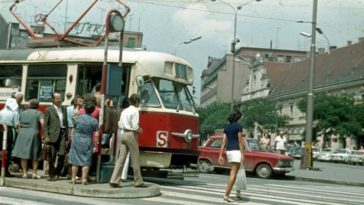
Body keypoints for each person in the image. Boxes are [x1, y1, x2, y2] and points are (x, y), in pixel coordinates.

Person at [109, 94, 147, 188]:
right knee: (135, 158)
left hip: (123, 134)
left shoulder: (124, 110)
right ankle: (138, 181)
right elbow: (134, 126)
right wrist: (139, 130)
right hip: (131, 135)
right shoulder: (135, 111)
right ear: (137, 101)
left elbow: (120, 123)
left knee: (121, 158)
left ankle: (114, 180)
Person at [68, 101, 99, 185]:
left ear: (84, 109)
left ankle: (73, 178)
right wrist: (95, 145)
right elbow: (96, 135)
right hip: (87, 140)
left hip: (77, 139)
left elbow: (73, 130)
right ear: (92, 110)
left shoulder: (78, 118)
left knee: (75, 160)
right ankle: (84, 179)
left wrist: (71, 138)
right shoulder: (94, 121)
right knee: (86, 160)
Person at [218, 109, 246, 202]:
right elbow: (240, 141)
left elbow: (223, 142)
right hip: (236, 150)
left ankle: (237, 192)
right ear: (238, 117)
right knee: (233, 173)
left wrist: (220, 155)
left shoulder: (227, 127)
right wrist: (242, 154)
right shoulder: (239, 127)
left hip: (229, 150)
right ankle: (226, 195)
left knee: (236, 172)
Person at [12, 99, 44, 179]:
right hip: (34, 134)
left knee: (24, 155)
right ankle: (34, 173)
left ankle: (25, 173)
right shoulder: (39, 113)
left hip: (22, 134)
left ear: (29, 105)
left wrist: (19, 131)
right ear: (37, 105)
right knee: (35, 155)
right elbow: (42, 123)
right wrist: (44, 133)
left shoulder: (23, 113)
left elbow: (17, 124)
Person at [43, 92, 68, 181]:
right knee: (52, 156)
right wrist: (46, 136)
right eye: (57, 98)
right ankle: (52, 174)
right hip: (52, 134)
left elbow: (66, 123)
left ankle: (57, 172)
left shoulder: (64, 109)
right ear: (53, 100)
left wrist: (67, 136)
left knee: (62, 154)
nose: (59, 99)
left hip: (62, 133)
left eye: (60, 98)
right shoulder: (48, 110)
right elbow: (46, 125)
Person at [0, 98, 20, 177]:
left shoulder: (1, 111)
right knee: (9, 150)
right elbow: (16, 124)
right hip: (10, 131)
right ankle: (5, 171)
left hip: (1, 130)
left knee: (1, 150)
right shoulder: (15, 113)